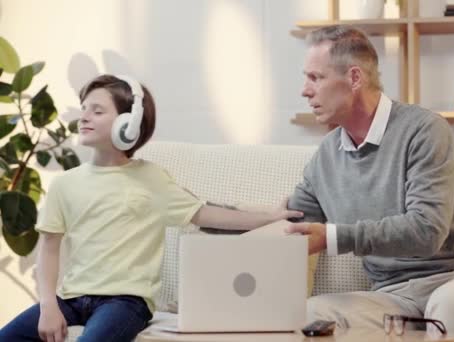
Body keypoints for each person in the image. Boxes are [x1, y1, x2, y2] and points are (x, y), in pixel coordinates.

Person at [0, 74, 302, 342]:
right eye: (84, 108)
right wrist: (49, 306)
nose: (84, 116)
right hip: (71, 298)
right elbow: (50, 249)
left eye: (97, 110)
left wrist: (269, 217)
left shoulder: (152, 179)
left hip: (125, 302)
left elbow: (207, 214)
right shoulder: (65, 184)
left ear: (127, 125)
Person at [285, 26, 454, 342]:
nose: (304, 91)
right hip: (391, 296)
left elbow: (426, 231)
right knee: (307, 316)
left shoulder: (424, 130)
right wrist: (222, 219)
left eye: (315, 78)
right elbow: (293, 223)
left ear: (354, 78)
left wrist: (334, 237)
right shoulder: (326, 156)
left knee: (449, 307)